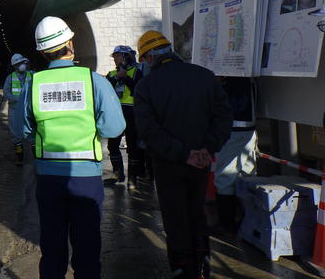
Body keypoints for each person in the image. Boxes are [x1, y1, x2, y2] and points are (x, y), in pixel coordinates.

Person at [20, 16, 125, 279]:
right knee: (87, 250)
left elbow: (21, 129)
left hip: (48, 178)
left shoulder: (33, 84)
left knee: (53, 250)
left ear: (42, 52)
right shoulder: (94, 81)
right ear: (70, 43)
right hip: (86, 179)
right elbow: (114, 128)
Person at [133, 30, 232, 279]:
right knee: (197, 211)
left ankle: (182, 268)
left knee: (175, 217)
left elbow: (149, 130)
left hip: (168, 164)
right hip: (201, 163)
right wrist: (207, 149)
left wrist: (182, 153)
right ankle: (203, 260)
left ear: (149, 57)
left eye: (144, 59)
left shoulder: (146, 86)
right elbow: (223, 117)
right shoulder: (205, 76)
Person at [214, 77, 257, 234]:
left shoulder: (233, 79)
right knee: (247, 174)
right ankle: (248, 220)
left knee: (225, 176)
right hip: (246, 128)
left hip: (234, 128)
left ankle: (226, 225)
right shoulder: (247, 77)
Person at [105, 45, 144, 190]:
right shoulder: (111, 73)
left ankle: (133, 178)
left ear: (125, 56)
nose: (115, 59)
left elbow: (138, 91)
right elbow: (106, 88)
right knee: (112, 144)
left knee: (132, 146)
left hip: (131, 112)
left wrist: (125, 77)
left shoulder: (136, 73)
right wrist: (117, 77)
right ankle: (118, 174)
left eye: (117, 56)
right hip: (115, 112)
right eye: (114, 56)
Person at [3, 53, 32, 166]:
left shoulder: (32, 75)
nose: (22, 65)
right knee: (16, 135)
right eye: (19, 64)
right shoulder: (10, 78)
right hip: (15, 109)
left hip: (29, 109)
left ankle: (35, 157)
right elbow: (6, 92)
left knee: (32, 133)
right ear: (15, 66)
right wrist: (15, 98)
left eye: (22, 63)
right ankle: (20, 158)